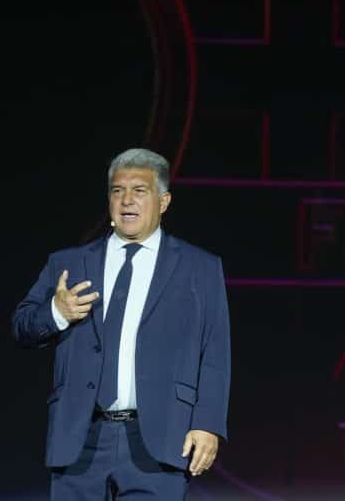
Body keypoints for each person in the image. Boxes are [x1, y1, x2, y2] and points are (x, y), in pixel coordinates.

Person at [13, 148, 231, 499]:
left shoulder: (199, 268)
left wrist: (207, 423)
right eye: (118, 191)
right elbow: (22, 326)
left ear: (163, 201)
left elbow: (215, 352)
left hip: (159, 438)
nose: (127, 200)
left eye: (139, 191)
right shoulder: (70, 263)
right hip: (80, 439)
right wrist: (57, 312)